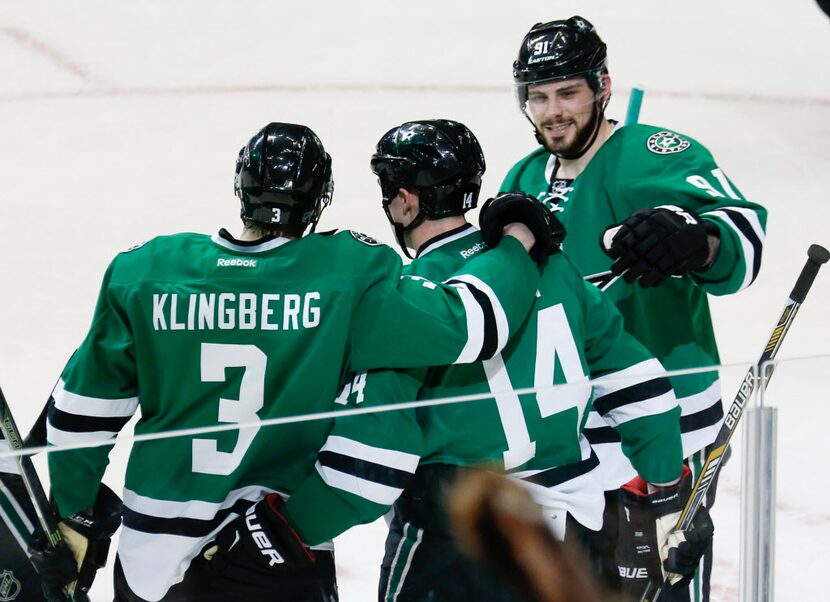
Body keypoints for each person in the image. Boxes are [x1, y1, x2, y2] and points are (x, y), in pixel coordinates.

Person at [38, 121, 552, 602]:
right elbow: (473, 324)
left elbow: (81, 413)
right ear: (318, 202)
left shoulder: (146, 270)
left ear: (241, 190)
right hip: (275, 551)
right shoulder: (347, 274)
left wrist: (74, 510)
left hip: (154, 550)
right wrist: (517, 240)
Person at [277, 120, 711, 601]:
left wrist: (289, 529)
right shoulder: (557, 267)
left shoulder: (409, 297)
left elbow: (373, 455)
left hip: (461, 537)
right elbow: (641, 387)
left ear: (405, 200)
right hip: (570, 536)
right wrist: (670, 493)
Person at [501, 16, 767, 601]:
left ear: (602, 86)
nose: (553, 111)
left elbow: (744, 239)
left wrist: (696, 240)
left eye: (567, 92)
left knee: (657, 588)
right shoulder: (524, 177)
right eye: (538, 96)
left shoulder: (655, 155)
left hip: (662, 427)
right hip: (568, 438)